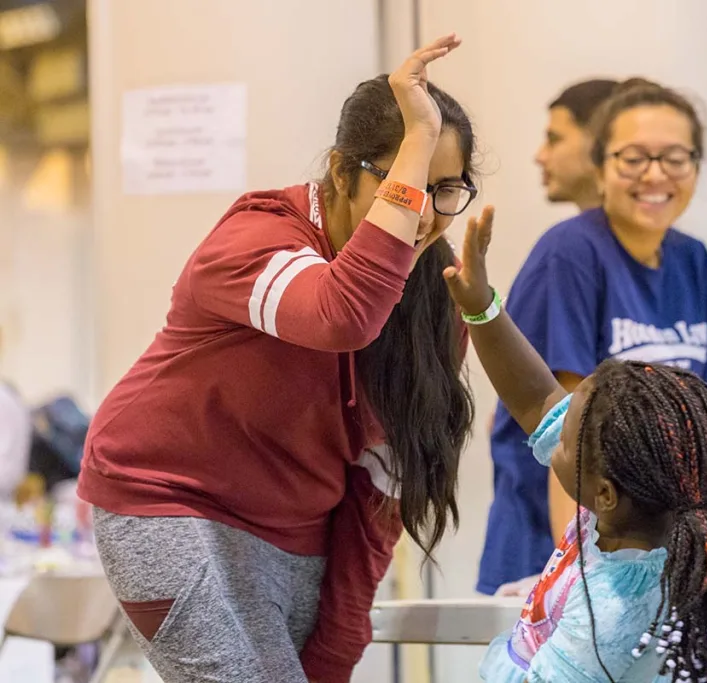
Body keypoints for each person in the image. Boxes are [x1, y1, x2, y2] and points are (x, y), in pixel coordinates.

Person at [77, 35, 479, 683]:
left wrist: (338, 648)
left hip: (292, 525)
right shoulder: (261, 236)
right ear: (343, 171)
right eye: (405, 179)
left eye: (446, 187)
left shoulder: (433, 304)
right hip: (164, 496)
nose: (425, 213)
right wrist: (422, 130)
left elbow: (376, 496)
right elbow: (342, 314)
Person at [445, 208, 707, 683]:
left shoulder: (615, 608)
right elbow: (534, 396)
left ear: (603, 492)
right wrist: (481, 307)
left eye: (561, 441)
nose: (551, 433)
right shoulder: (617, 518)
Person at [479, 78, 707, 597]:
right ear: (601, 166)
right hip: (561, 555)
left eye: (675, 157)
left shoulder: (692, 259)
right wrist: (584, 581)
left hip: (654, 557)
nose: (655, 175)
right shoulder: (571, 254)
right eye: (632, 158)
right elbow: (571, 432)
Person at [536, 78, 619, 211]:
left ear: (599, 144)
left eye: (554, 140)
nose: (540, 157)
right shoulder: (570, 231)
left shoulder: (564, 232)